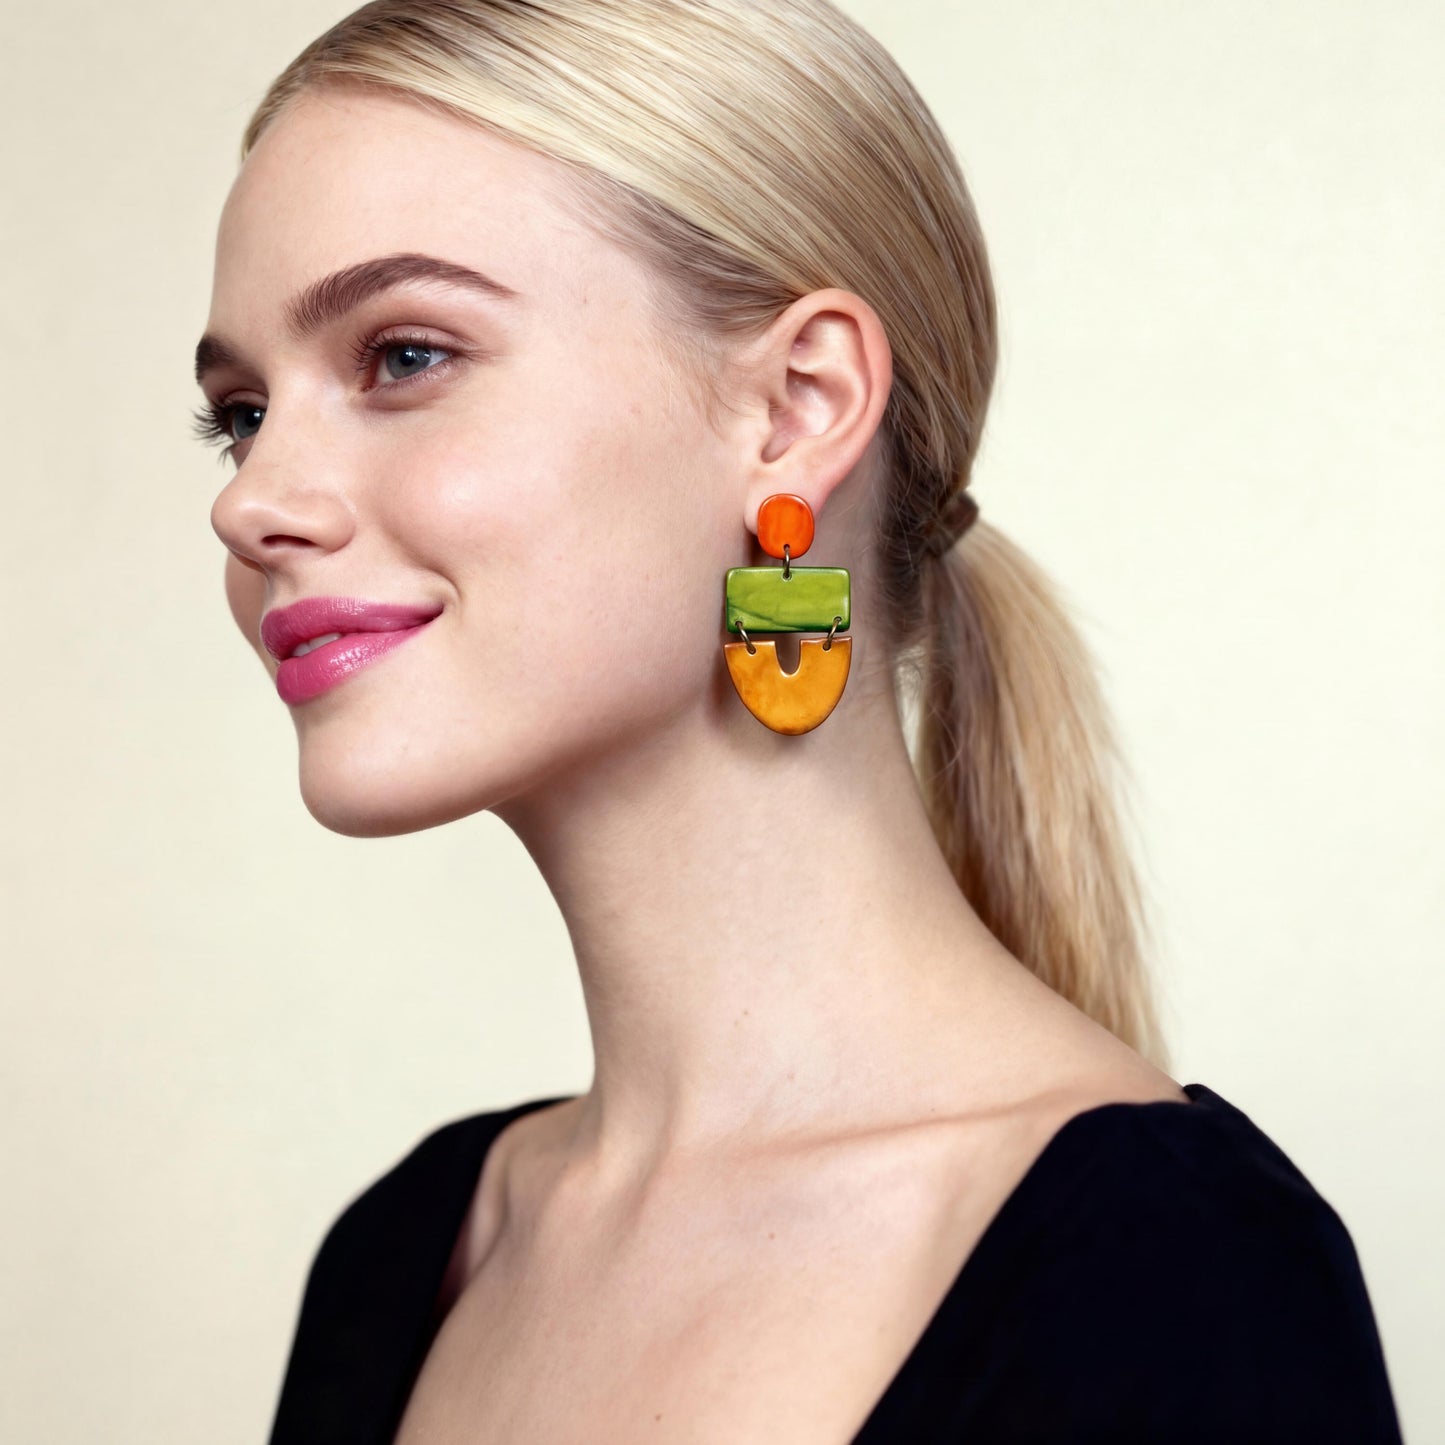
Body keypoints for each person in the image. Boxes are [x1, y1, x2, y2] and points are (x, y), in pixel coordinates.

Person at [193, 1, 1404, 1439]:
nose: (251, 499)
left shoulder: (1174, 1273)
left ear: (793, 406)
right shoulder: (406, 1259)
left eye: (404, 356)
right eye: (241, 410)